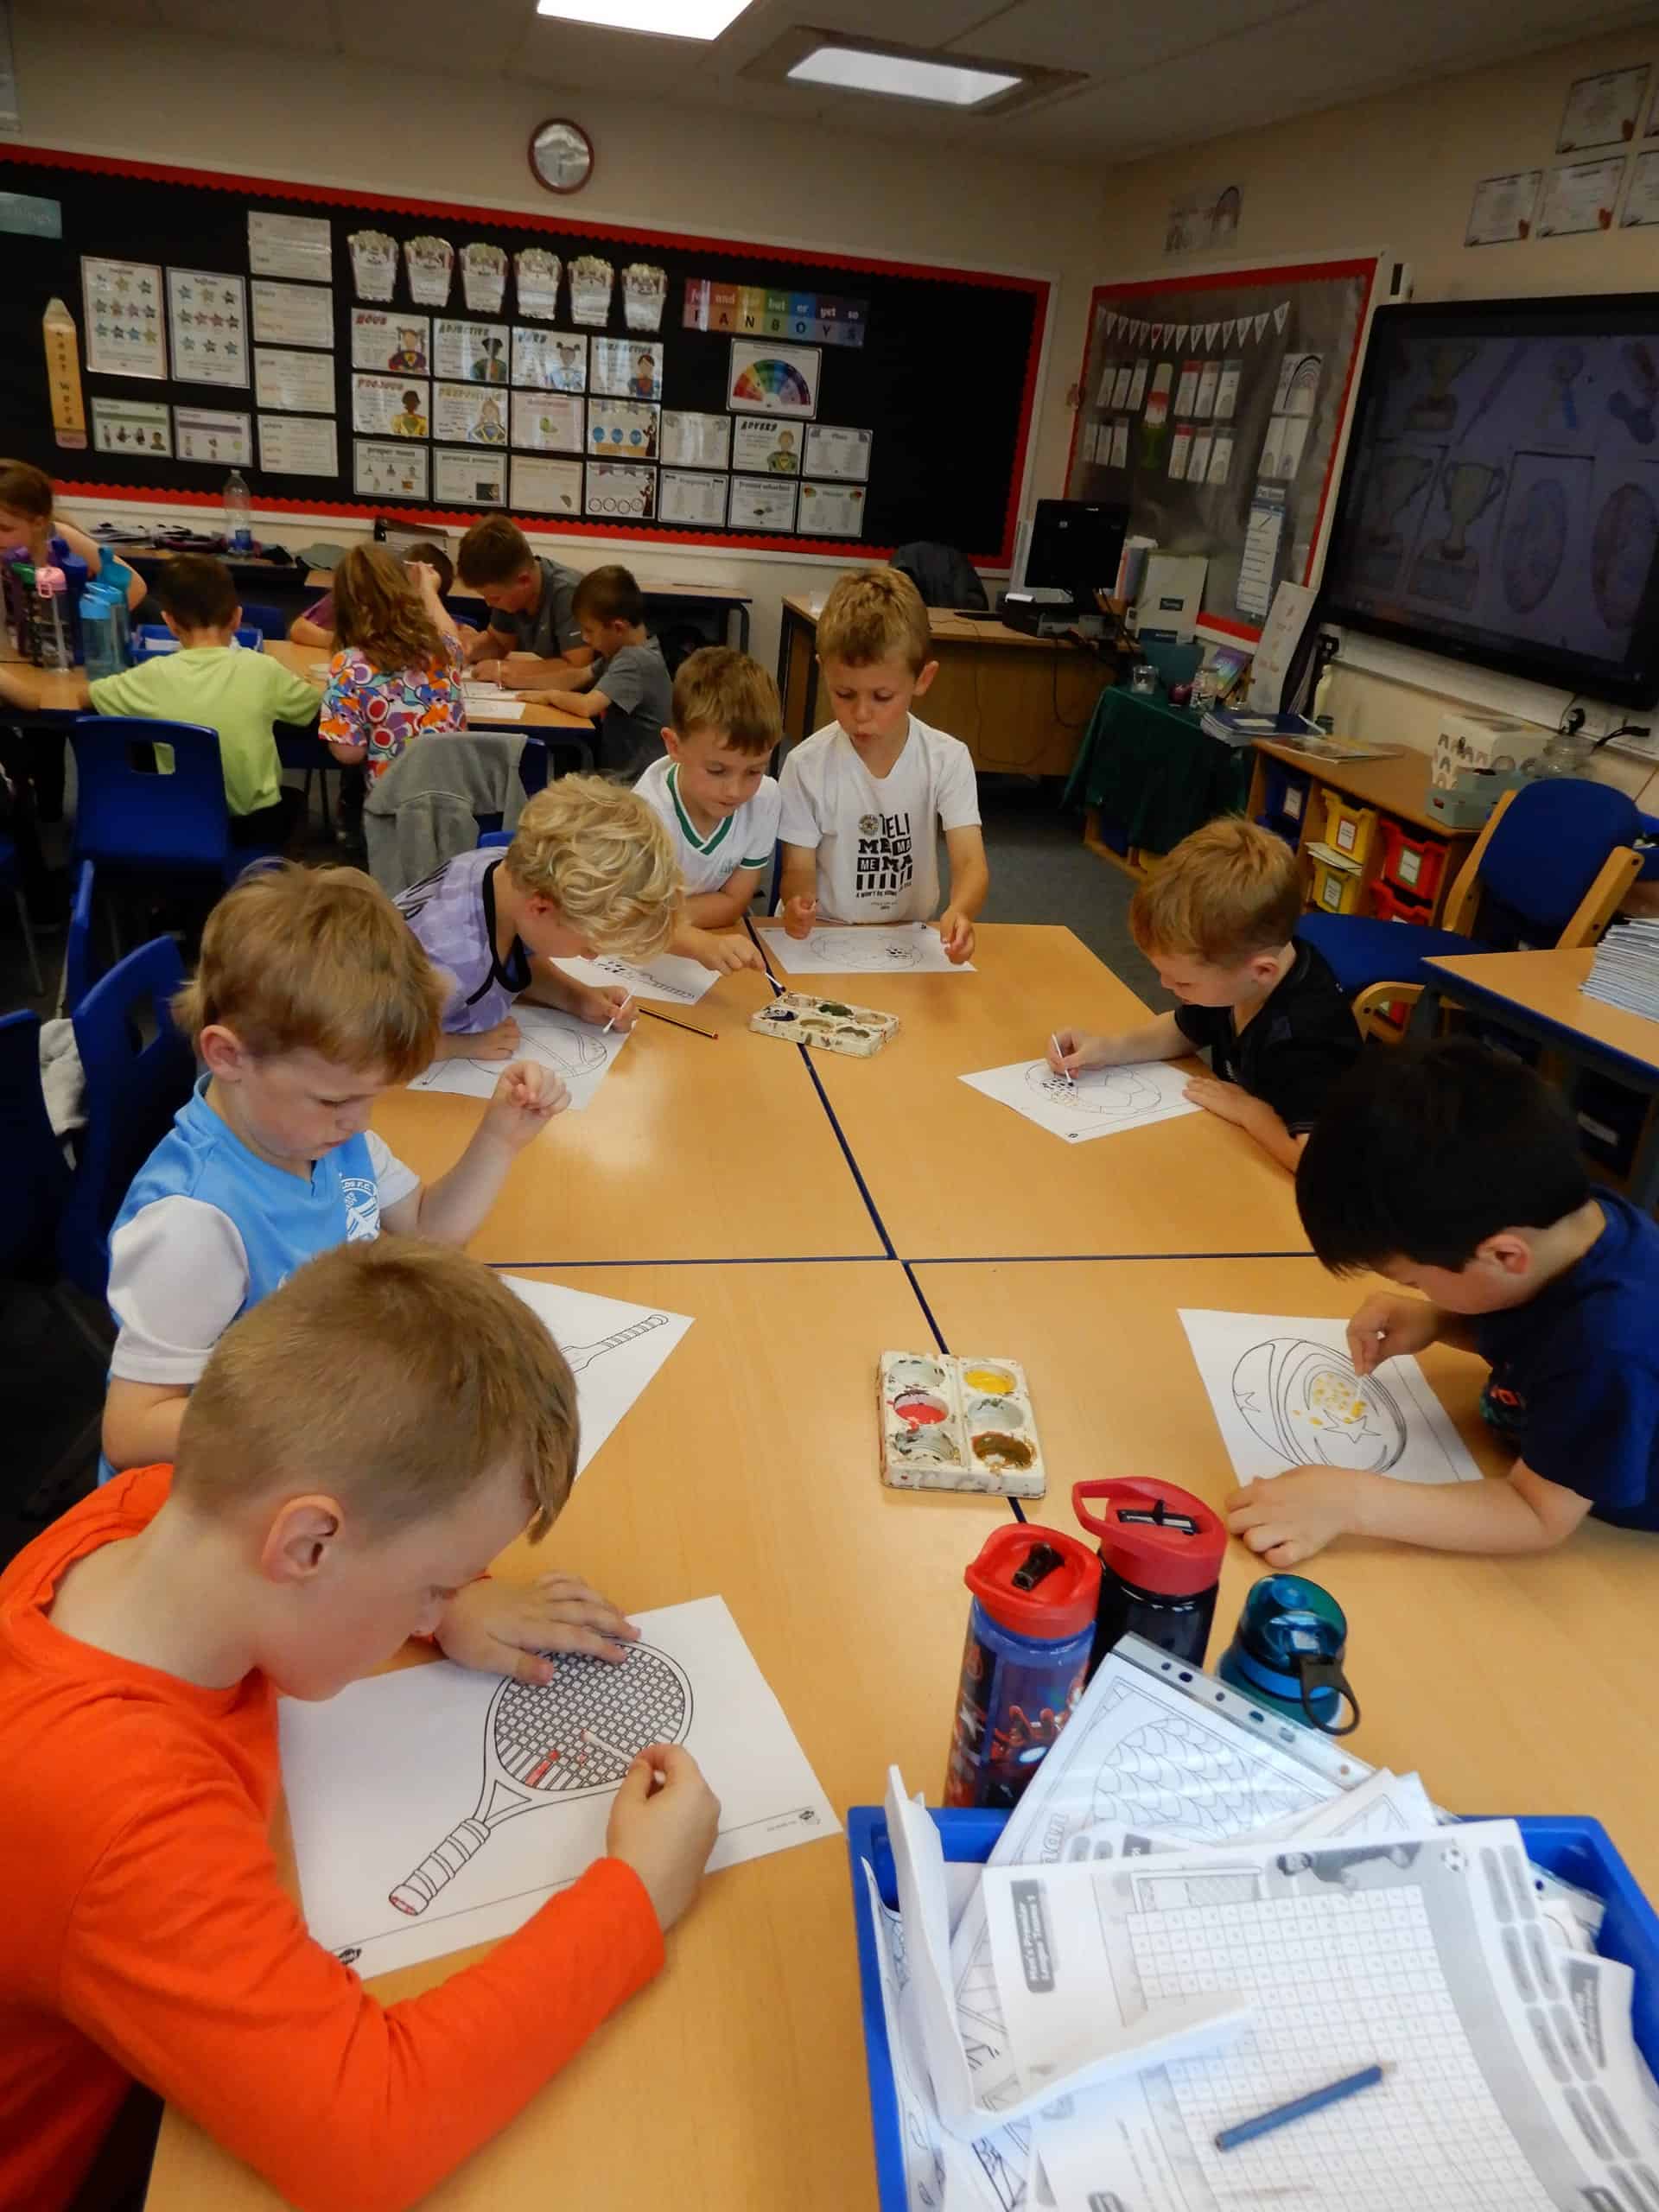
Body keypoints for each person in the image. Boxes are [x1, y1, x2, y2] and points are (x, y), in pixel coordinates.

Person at [0, 1236, 720, 2212]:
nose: (440, 1606)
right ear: (309, 1544)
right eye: (435, 1583)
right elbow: (369, 2135)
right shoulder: (117, 1817)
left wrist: (449, 1605)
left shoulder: (142, 1516)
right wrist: (634, 1898)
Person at [100, 861, 565, 1478]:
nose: (359, 1121)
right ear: (227, 1056)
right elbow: (131, 1431)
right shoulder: (194, 1223)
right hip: (236, 1471)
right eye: (334, 1100)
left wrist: (500, 1138)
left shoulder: (318, 1136)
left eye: (371, 1098)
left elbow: (428, 1231)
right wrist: (321, 1416)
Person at [1227, 1037, 1659, 1566]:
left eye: (1416, 1282)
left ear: (1504, 1255)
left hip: (1605, 1533)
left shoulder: (1610, 1347)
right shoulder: (1565, 1224)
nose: (1419, 1293)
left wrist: (1351, 1502)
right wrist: (1439, 1319)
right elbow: (1541, 1323)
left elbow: (1537, 1515)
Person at [1049, 816, 1360, 1172]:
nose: (1166, 986)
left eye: (1183, 983)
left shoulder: (1305, 1037)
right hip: (1240, 1148)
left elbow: (1317, 1163)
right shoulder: (1237, 976)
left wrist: (1249, 1112)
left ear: (1261, 971)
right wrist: (1108, 1049)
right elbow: (1183, 1031)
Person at [0, 552, 318, 851]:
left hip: (179, 821)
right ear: (237, 618)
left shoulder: (149, 676)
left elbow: (87, 696)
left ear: (169, 622)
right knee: (292, 802)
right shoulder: (263, 670)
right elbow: (314, 705)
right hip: (251, 827)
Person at [776, 567, 987, 963]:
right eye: (844, 694)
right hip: (826, 933)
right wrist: (798, 901)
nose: (861, 714)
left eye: (882, 697)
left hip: (908, 937)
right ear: (824, 671)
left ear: (923, 679)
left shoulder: (947, 758)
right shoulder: (806, 765)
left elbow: (970, 861)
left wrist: (961, 911)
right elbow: (797, 867)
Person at [397, 774, 677, 1057]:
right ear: (541, 908)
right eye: (589, 945)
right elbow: (375, 1044)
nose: (592, 957)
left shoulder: (508, 873)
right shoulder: (449, 964)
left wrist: (577, 998)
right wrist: (460, 1046)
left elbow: (515, 962)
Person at [633, 645, 777, 975]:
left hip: (709, 946)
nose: (735, 791)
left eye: (754, 771)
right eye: (717, 770)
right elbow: (630, 920)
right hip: (641, 960)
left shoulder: (766, 798)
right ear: (674, 746)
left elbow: (734, 903)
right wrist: (695, 941)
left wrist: (661, 918)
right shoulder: (646, 814)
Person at [319, 543, 465, 786]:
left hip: (393, 803)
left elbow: (349, 753)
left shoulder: (348, 665)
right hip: (456, 799)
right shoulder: (445, 651)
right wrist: (428, 589)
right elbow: (449, 634)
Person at [514, 565, 671, 780]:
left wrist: (550, 696)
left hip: (632, 783)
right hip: (621, 776)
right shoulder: (624, 653)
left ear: (618, 627)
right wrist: (520, 681)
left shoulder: (634, 660)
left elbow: (587, 706)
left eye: (589, 630)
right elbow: (578, 676)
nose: (585, 639)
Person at [457, 515, 590, 690]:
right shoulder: (510, 592)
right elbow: (498, 642)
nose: (489, 604)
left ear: (524, 581)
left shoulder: (570, 593)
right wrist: (467, 649)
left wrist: (504, 670)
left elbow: (578, 668)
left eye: (495, 598)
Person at [0, 457, 144, 611]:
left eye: (5, 528)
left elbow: (135, 587)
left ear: (38, 524)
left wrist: (96, 622)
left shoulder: (61, 537)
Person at [289, 540, 457, 652]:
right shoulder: (360, 594)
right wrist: (352, 645)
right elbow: (299, 629)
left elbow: (453, 646)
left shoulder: (431, 609)